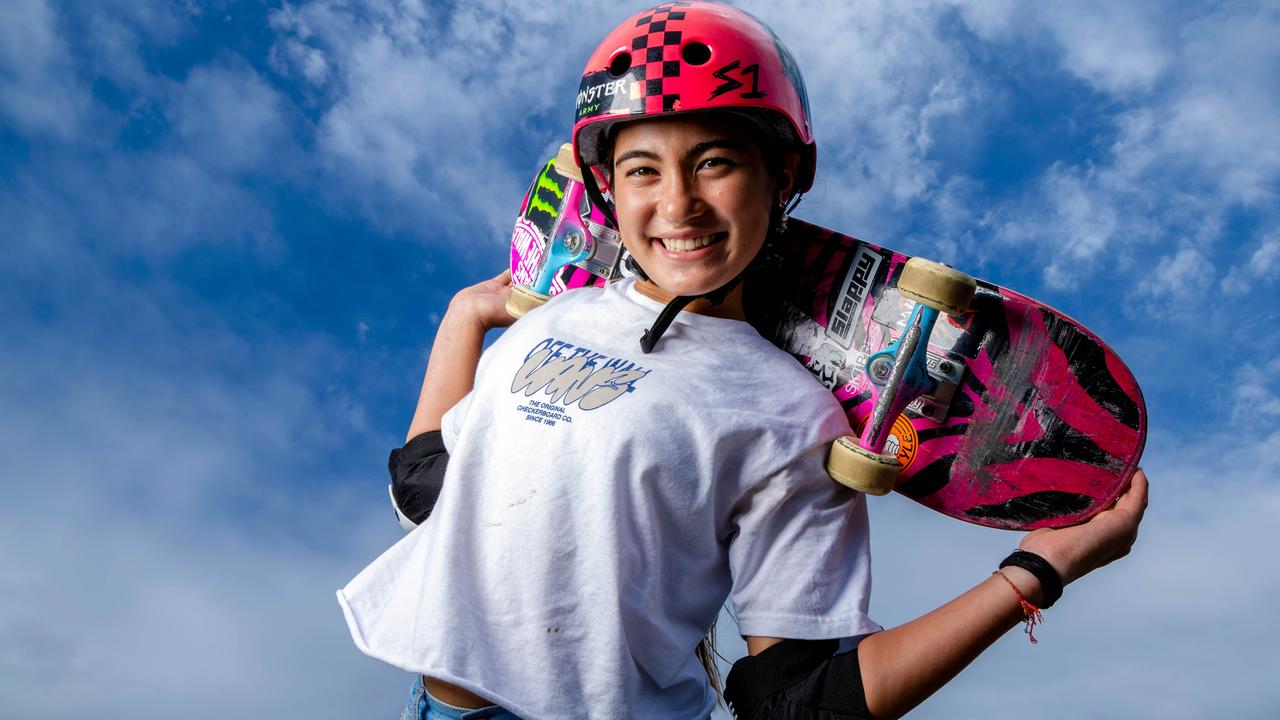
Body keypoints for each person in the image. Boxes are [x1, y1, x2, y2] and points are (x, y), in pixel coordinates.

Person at [340, 3, 1148, 719]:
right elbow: (433, 495)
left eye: (714, 163)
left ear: (787, 172)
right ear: (605, 191)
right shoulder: (551, 323)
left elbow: (793, 698)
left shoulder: (791, 414)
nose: (678, 204)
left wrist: (1034, 574)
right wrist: (465, 316)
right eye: (642, 170)